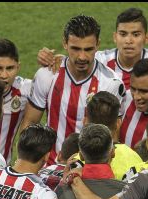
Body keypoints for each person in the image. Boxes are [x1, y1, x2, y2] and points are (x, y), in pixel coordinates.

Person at [19, 15, 124, 164]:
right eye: (75, 48)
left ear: (98, 45)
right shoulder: (47, 75)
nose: (82, 56)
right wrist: (26, 164)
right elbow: (30, 122)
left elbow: (112, 135)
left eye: (88, 49)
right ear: (65, 43)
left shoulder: (111, 83)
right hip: (50, 167)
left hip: (88, 168)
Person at [38, 8, 148, 90]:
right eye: (123, 34)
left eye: (136, 34)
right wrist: (49, 58)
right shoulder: (100, 60)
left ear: (147, 38)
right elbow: (75, 59)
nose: (129, 41)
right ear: (114, 37)